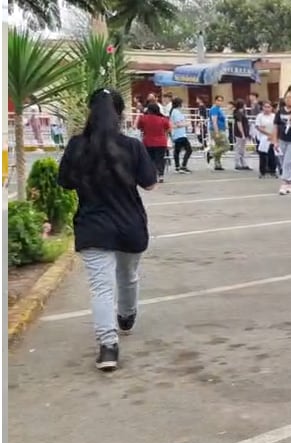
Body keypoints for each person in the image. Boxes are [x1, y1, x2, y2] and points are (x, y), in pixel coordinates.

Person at [57, 88, 158, 372]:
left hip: (92, 225)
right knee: (128, 276)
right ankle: (126, 315)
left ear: (90, 112)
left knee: (101, 287)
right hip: (130, 224)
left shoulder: (77, 145)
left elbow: (64, 182)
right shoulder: (132, 146)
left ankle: (108, 346)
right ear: (120, 114)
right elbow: (150, 183)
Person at [135, 102, 171, 183]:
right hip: (161, 142)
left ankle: (152, 175)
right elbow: (168, 129)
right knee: (160, 159)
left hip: (148, 141)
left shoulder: (143, 118)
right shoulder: (163, 119)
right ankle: (161, 175)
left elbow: (138, 127)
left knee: (150, 159)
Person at [255, 101, 278, 178]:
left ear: (271, 108)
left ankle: (273, 171)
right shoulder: (260, 116)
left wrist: (273, 135)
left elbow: (276, 126)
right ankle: (262, 171)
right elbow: (258, 127)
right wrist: (268, 134)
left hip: (272, 138)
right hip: (263, 138)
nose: (267, 109)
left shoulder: (274, 116)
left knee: (272, 155)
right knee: (263, 155)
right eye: (265, 107)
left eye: (269, 107)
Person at [169, 98, 192, 173]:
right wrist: (187, 124)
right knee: (188, 149)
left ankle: (178, 166)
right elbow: (178, 124)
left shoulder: (176, 112)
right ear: (179, 104)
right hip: (179, 134)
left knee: (177, 150)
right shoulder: (176, 112)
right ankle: (182, 166)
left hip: (179, 134)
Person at [207, 95, 228, 171]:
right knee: (226, 146)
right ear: (215, 101)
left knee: (218, 146)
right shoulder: (214, 109)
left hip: (221, 129)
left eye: (221, 100)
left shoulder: (219, 109)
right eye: (218, 100)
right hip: (217, 130)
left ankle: (217, 164)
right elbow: (214, 121)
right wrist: (217, 132)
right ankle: (211, 154)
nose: (219, 102)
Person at [233, 99, 251, 171]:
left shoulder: (240, 113)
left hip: (243, 133)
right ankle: (238, 163)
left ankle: (243, 162)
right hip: (240, 134)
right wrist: (242, 134)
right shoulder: (238, 113)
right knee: (239, 148)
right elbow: (239, 124)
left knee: (242, 149)